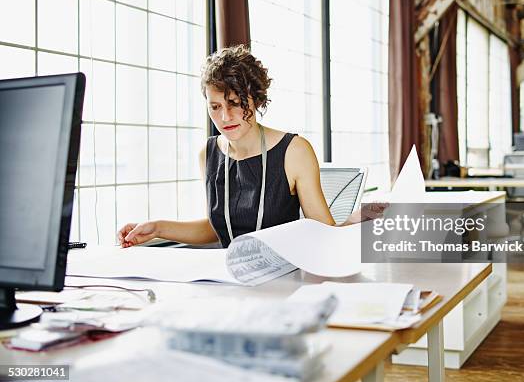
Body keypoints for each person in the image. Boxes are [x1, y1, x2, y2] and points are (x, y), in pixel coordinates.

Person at [118, 45, 382, 249]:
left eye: (234, 103)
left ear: (255, 99)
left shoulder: (294, 151)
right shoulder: (208, 154)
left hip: (286, 280)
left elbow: (326, 234)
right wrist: (157, 228)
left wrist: (356, 221)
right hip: (229, 281)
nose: (225, 117)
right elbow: (217, 227)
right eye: (215, 107)